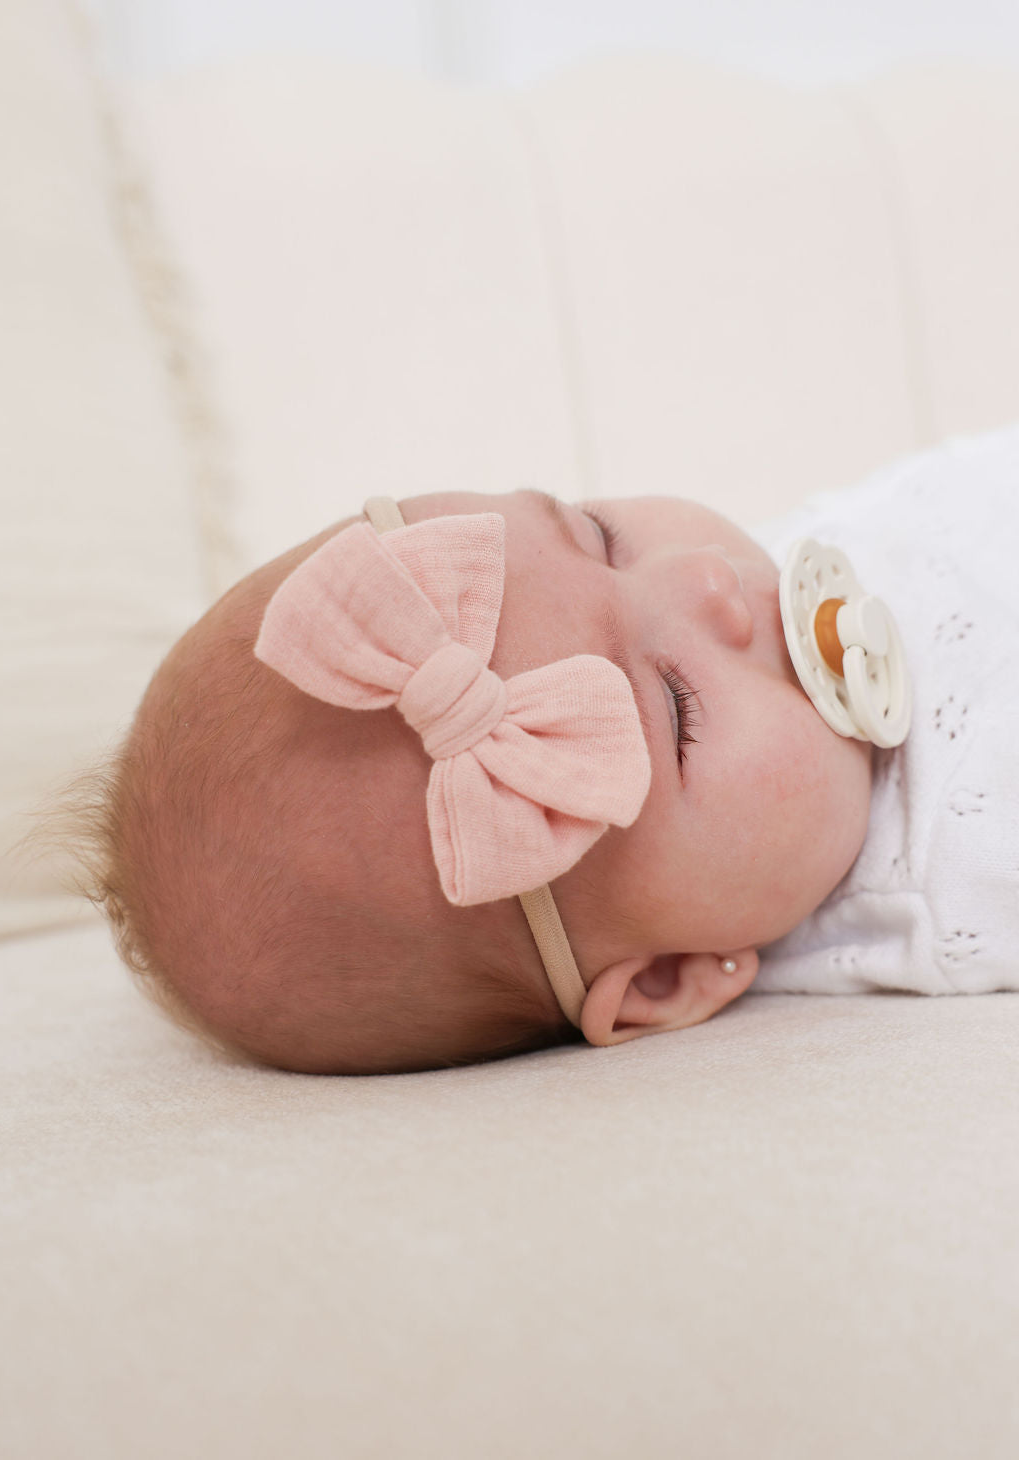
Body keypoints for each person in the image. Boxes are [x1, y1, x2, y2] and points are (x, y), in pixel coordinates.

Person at [72, 425, 1018, 1075]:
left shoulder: (773, 571)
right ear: (665, 977)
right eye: (675, 706)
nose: (706, 583)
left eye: (598, 534)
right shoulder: (955, 877)